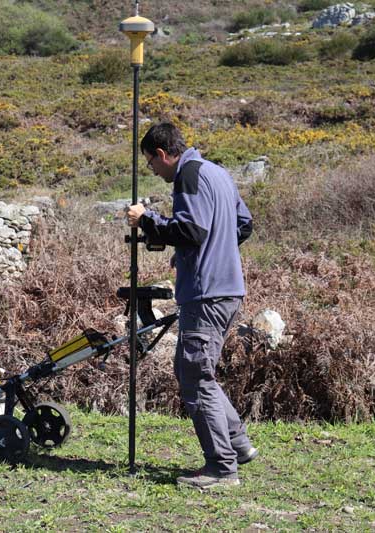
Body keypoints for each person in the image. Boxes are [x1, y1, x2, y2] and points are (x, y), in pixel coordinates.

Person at [126, 122, 257, 489]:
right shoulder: (219, 173)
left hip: (206, 294)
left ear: (163, 154)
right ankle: (238, 445)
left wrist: (146, 220)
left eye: (151, 164)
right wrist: (207, 255)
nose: (153, 171)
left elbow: (191, 231)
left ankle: (221, 468)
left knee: (196, 377)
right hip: (227, 290)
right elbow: (243, 224)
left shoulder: (188, 175)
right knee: (193, 372)